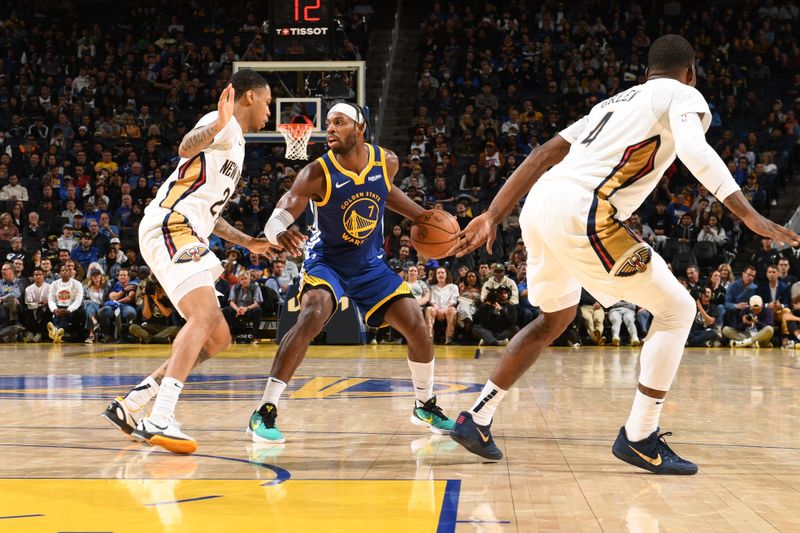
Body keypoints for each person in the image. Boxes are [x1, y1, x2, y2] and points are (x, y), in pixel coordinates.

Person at [447, 35, 800, 472]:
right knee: (677, 310)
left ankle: (475, 416)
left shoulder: (609, 105)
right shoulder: (682, 93)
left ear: (648, 69)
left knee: (554, 319)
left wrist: (494, 213)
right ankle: (640, 436)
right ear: (691, 72)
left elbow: (542, 155)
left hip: (539, 205)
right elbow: (693, 149)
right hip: (584, 209)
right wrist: (748, 215)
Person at [248, 102, 455, 445]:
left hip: (370, 264)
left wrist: (421, 216)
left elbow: (385, 191)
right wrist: (277, 232)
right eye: (328, 123)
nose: (329, 128)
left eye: (339, 122)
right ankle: (265, 411)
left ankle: (425, 405)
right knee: (313, 315)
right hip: (326, 261)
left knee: (417, 325)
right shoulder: (316, 172)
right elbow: (283, 210)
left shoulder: (385, 160)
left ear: (359, 128)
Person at [102, 69, 276, 454]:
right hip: (171, 224)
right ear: (249, 97)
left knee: (219, 336)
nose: (270, 111)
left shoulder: (239, 146)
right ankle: (161, 417)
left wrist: (250, 242)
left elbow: (211, 215)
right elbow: (185, 146)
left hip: (188, 229)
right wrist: (218, 122)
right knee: (204, 316)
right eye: (267, 102)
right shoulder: (222, 125)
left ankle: (133, 404)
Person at [221, 270, 263, 343]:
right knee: (226, 310)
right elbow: (231, 301)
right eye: (242, 279)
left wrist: (246, 309)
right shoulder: (235, 287)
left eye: (246, 279)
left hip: (249, 309)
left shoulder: (255, 287)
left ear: (249, 279)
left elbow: (257, 303)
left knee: (258, 310)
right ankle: (232, 334)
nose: (244, 281)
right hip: (237, 310)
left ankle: (255, 336)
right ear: (239, 280)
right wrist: (237, 310)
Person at [47, 263, 84, 343]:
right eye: (62, 270)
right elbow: (51, 299)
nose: (64, 272)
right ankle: (57, 334)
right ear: (59, 273)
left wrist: (68, 310)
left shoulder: (77, 284)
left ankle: (55, 331)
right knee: (57, 316)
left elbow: (78, 301)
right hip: (58, 307)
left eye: (66, 270)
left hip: (71, 307)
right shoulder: (54, 284)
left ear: (70, 272)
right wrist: (54, 309)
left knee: (65, 317)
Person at [22, 267, 51, 342]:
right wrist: (40, 303)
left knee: (44, 312)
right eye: (36, 275)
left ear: (43, 275)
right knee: (27, 311)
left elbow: (50, 300)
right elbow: (28, 302)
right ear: (33, 276)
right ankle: (30, 332)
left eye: (40, 274)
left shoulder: (49, 287)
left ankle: (39, 333)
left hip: (45, 308)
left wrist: (44, 303)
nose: (38, 276)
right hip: (33, 308)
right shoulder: (28, 289)